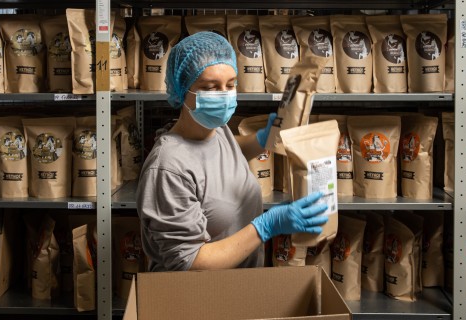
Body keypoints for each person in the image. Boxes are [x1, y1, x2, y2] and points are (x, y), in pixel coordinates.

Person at [137, 32, 328, 272]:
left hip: (232, 288)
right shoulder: (168, 168)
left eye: (231, 84)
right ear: (182, 89)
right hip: (196, 299)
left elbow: (220, 151)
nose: (225, 95)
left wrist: (262, 140)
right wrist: (265, 227)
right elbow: (190, 263)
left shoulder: (213, 129)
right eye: (210, 87)